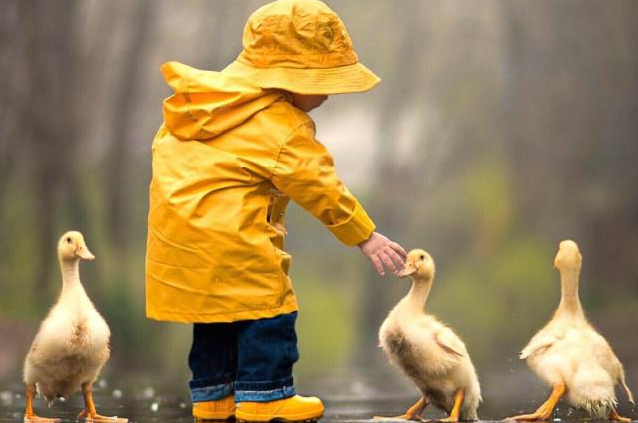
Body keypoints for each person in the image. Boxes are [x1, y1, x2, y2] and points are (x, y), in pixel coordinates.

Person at [145, 0, 406, 421]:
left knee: (214, 317)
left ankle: (213, 397)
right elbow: (319, 185)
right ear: (289, 77)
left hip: (179, 247)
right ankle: (268, 397)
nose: (328, 94)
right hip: (236, 243)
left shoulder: (196, 105)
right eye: (323, 82)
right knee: (271, 308)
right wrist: (364, 234)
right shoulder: (281, 125)